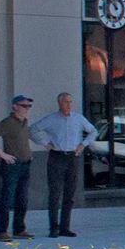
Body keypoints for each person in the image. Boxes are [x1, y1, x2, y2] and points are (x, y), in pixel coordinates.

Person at [30, 92, 97, 238]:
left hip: (73, 156)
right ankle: (53, 227)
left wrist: (83, 145)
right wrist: (45, 144)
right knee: (55, 193)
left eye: (70, 102)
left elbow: (93, 131)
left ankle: (65, 227)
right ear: (60, 103)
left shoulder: (78, 119)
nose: (69, 105)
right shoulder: (52, 119)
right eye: (66, 102)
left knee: (70, 193)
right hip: (57, 156)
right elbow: (33, 130)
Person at [0, 95, 35, 241]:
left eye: (29, 106)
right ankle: (2, 231)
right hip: (12, 165)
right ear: (15, 107)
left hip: (25, 164)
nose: (27, 109)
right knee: (7, 197)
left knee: (22, 198)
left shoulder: (24, 122)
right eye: (24, 106)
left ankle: (19, 229)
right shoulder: (8, 122)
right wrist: (1, 153)